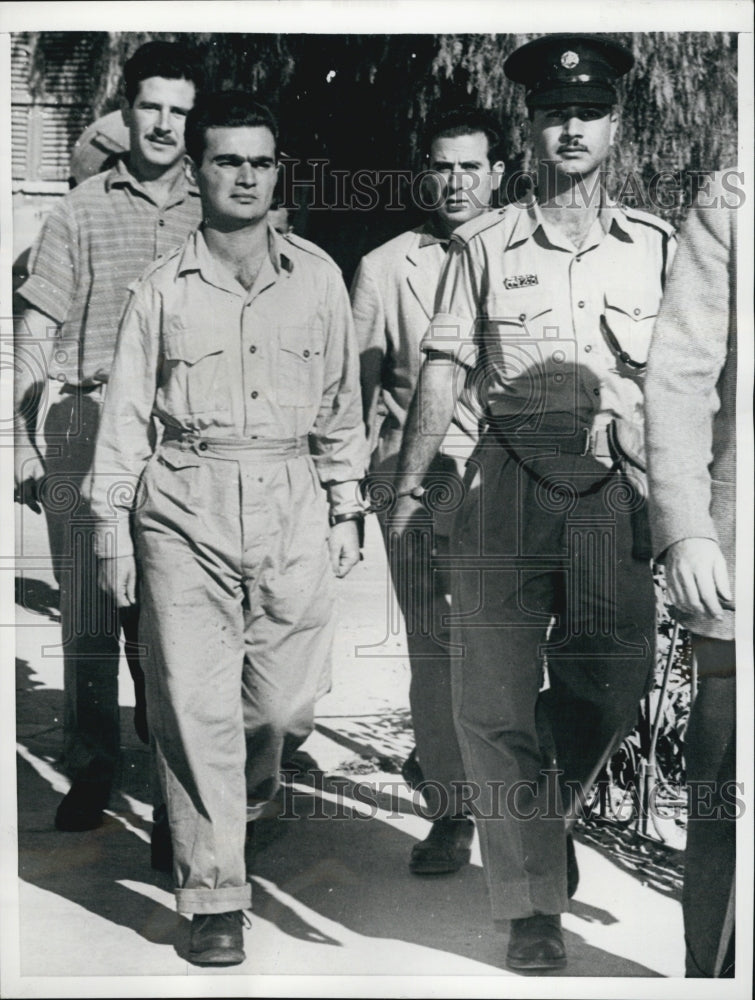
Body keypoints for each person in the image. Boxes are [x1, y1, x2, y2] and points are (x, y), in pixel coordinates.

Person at [392, 34, 676, 971]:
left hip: (611, 485)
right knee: (492, 700)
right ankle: (530, 909)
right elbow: (443, 367)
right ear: (531, 127)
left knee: (616, 675)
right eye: (555, 114)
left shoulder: (657, 248)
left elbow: (688, 382)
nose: (571, 129)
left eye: (588, 113)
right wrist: (410, 485)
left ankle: (541, 809)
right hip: (505, 480)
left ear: (614, 127)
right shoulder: (482, 244)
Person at [88, 91, 365, 966]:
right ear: (197, 172)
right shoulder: (160, 288)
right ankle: (214, 896)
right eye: (227, 161)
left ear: (277, 173)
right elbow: (125, 415)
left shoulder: (317, 277)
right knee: (192, 701)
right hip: (184, 500)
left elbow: (342, 403)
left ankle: (237, 805)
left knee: (280, 707)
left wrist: (346, 504)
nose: (245, 176)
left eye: (260, 161)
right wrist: (111, 528)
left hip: (290, 498)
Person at [13, 41, 203, 833]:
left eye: (179, 111)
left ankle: (172, 785)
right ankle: (91, 767)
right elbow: (35, 330)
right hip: (86, 426)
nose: (163, 124)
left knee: (170, 621)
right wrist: (20, 441)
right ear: (126, 112)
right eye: (150, 107)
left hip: (183, 439)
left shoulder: (217, 204)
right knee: (89, 615)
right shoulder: (79, 210)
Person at [351, 107, 503, 874]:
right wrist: (350, 491)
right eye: (441, 166)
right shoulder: (385, 267)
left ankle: (523, 804)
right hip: (414, 475)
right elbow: (357, 392)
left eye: (469, 166)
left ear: (496, 174)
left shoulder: (525, 250)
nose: (455, 181)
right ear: (424, 174)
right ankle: (450, 810)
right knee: (435, 644)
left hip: (511, 474)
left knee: (507, 641)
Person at [645, 170, 739, 978]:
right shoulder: (735, 199)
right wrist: (686, 528)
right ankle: (713, 976)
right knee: (727, 793)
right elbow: (679, 377)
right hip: (741, 563)